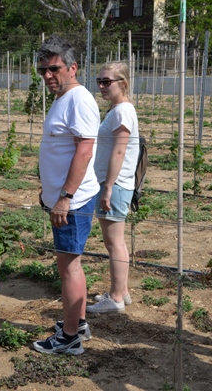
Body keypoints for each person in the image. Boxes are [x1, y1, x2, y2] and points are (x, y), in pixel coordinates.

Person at [32, 35, 100, 355]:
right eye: (42, 70)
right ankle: (79, 322)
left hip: (73, 202)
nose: (47, 75)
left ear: (72, 68)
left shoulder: (79, 99)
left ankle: (70, 338)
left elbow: (84, 151)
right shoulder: (63, 98)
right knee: (70, 265)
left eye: (53, 68)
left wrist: (65, 196)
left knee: (69, 267)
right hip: (63, 198)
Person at [85, 61, 138, 314]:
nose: (102, 86)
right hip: (114, 183)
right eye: (100, 81)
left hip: (114, 185)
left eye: (107, 81)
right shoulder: (118, 110)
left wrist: (107, 187)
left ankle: (115, 298)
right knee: (115, 241)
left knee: (114, 242)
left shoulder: (122, 112)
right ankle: (122, 291)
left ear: (123, 83)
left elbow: (119, 150)